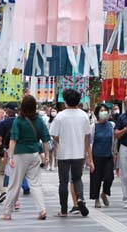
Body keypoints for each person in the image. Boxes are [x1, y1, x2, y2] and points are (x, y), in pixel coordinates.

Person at [1, 95, 50, 221]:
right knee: (36, 184)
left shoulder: (19, 120)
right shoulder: (39, 120)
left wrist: (10, 157)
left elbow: (13, 140)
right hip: (34, 154)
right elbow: (45, 140)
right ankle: (41, 209)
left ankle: (7, 212)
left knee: (14, 184)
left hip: (20, 155)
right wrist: (47, 156)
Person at [49, 88, 91, 218]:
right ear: (78, 101)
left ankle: (63, 210)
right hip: (79, 153)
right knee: (77, 178)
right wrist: (87, 153)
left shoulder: (60, 116)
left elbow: (53, 135)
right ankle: (79, 199)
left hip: (63, 154)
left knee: (63, 181)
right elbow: (87, 136)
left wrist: (62, 140)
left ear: (65, 101)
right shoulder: (84, 115)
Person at [89, 103, 115, 207]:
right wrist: (89, 159)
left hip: (108, 155)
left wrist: (114, 153)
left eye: (105, 110)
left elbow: (114, 140)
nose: (104, 112)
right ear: (97, 113)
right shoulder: (93, 127)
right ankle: (96, 199)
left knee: (109, 177)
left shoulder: (111, 125)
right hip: (96, 156)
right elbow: (89, 143)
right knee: (96, 179)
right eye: (101, 110)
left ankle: (104, 193)